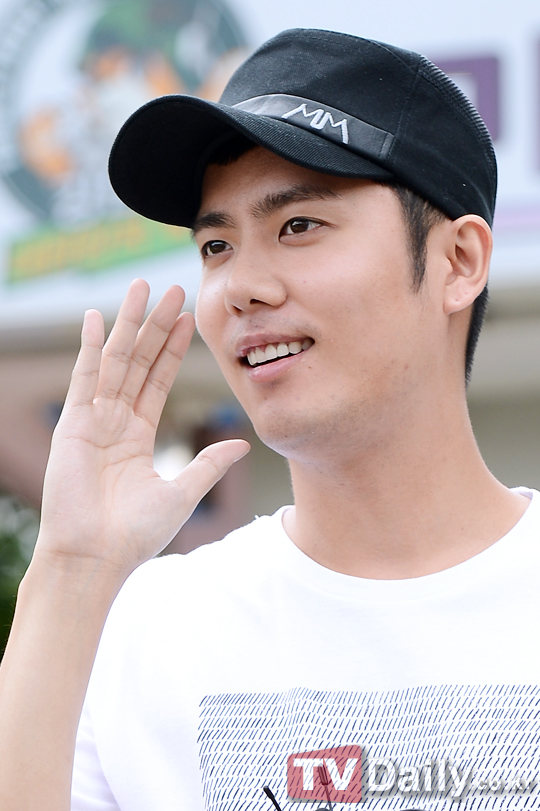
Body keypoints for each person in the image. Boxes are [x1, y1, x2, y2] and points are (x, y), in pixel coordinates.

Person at [0, 27, 539, 811]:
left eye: (297, 226)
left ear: (459, 262)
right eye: (217, 245)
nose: (240, 287)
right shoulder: (147, 633)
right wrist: (70, 566)